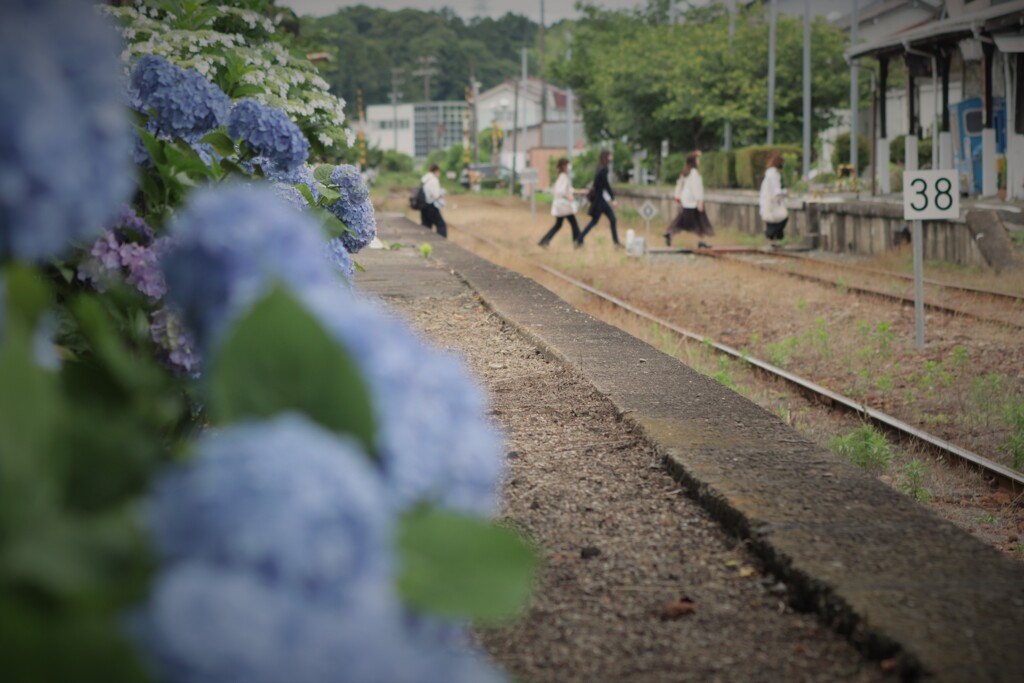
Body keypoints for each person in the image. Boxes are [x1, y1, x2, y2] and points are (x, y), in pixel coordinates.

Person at [664, 151, 713, 249]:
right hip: (693, 202)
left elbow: (680, 184)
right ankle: (671, 232)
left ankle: (701, 240)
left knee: (691, 221)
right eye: (698, 159)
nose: (699, 161)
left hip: (686, 201)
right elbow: (696, 188)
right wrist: (699, 201)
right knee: (694, 221)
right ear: (693, 161)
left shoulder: (686, 172)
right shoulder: (694, 173)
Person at [576, 149, 620, 248]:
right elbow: (606, 185)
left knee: (595, 221)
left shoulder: (599, 167)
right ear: (606, 157)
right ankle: (616, 243)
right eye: (610, 156)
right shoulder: (604, 170)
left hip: (598, 200)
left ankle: (579, 239)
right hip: (600, 201)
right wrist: (613, 199)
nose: (612, 158)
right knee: (611, 219)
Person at [538, 158, 584, 248]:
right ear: (564, 166)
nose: (569, 167)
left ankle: (544, 241)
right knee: (573, 223)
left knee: (559, 225)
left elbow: (568, 189)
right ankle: (578, 242)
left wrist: (579, 191)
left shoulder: (562, 176)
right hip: (564, 206)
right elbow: (560, 191)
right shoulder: (563, 177)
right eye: (568, 165)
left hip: (561, 205)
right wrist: (568, 197)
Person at [760, 153, 788, 245]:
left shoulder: (771, 173)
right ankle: (773, 238)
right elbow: (775, 188)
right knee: (780, 218)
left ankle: (774, 240)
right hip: (771, 201)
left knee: (773, 220)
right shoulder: (773, 174)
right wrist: (783, 193)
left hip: (770, 201)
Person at [420, 164, 447, 238]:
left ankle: (424, 240)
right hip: (431, 205)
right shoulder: (434, 180)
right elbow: (435, 195)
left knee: (426, 225)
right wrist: (441, 193)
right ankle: (441, 241)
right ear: (436, 170)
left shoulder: (425, 178)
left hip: (423, 205)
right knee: (441, 224)